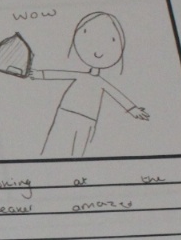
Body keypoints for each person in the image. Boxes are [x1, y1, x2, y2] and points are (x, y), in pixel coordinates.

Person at [22, 11, 148, 157]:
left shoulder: (100, 82)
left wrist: (132, 109)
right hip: (66, 111)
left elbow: (116, 94)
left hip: (87, 117)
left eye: (112, 41)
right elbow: (60, 74)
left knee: (77, 149)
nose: (98, 50)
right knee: (57, 142)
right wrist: (38, 74)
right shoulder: (81, 75)